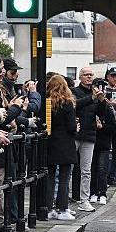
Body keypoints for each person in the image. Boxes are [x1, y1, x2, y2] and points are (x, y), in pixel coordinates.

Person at [72, 67, 108, 212]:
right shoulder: (74, 91)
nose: (89, 77)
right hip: (75, 134)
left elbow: (101, 114)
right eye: (86, 75)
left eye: (91, 75)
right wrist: (92, 98)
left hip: (90, 135)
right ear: (80, 77)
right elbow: (75, 105)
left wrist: (102, 101)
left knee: (86, 170)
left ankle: (84, 200)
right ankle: (67, 199)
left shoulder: (96, 92)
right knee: (69, 168)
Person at [46, 74, 77, 221]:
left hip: (50, 143)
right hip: (65, 144)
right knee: (64, 178)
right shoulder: (68, 103)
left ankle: (49, 208)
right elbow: (71, 127)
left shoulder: (47, 103)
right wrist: (76, 127)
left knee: (50, 178)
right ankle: (62, 209)